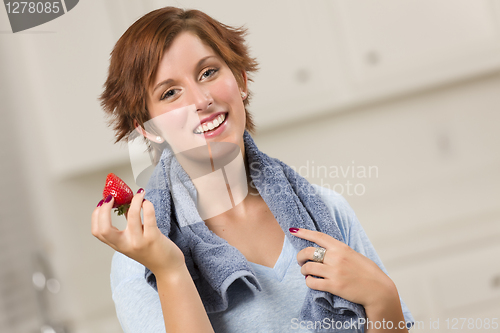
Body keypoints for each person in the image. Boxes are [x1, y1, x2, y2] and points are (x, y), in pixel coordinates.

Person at [91, 6, 414, 333]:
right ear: (148, 128)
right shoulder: (142, 265)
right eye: (170, 92)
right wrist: (172, 270)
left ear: (241, 80)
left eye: (208, 73)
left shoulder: (327, 212)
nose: (201, 100)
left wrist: (383, 297)